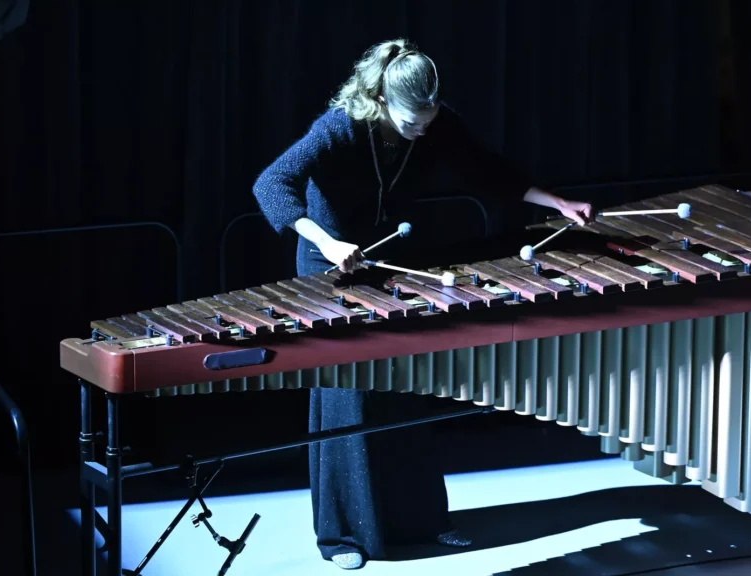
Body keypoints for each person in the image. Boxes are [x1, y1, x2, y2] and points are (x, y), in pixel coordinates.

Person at [252, 38, 592, 570]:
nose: (423, 129)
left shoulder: (434, 124)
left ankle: (422, 522)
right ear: (382, 100)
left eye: (430, 119)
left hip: (389, 264)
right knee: (349, 398)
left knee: (403, 389)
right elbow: (272, 183)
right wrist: (326, 242)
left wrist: (555, 202)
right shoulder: (340, 127)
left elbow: (486, 169)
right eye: (413, 120)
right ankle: (343, 537)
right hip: (329, 265)